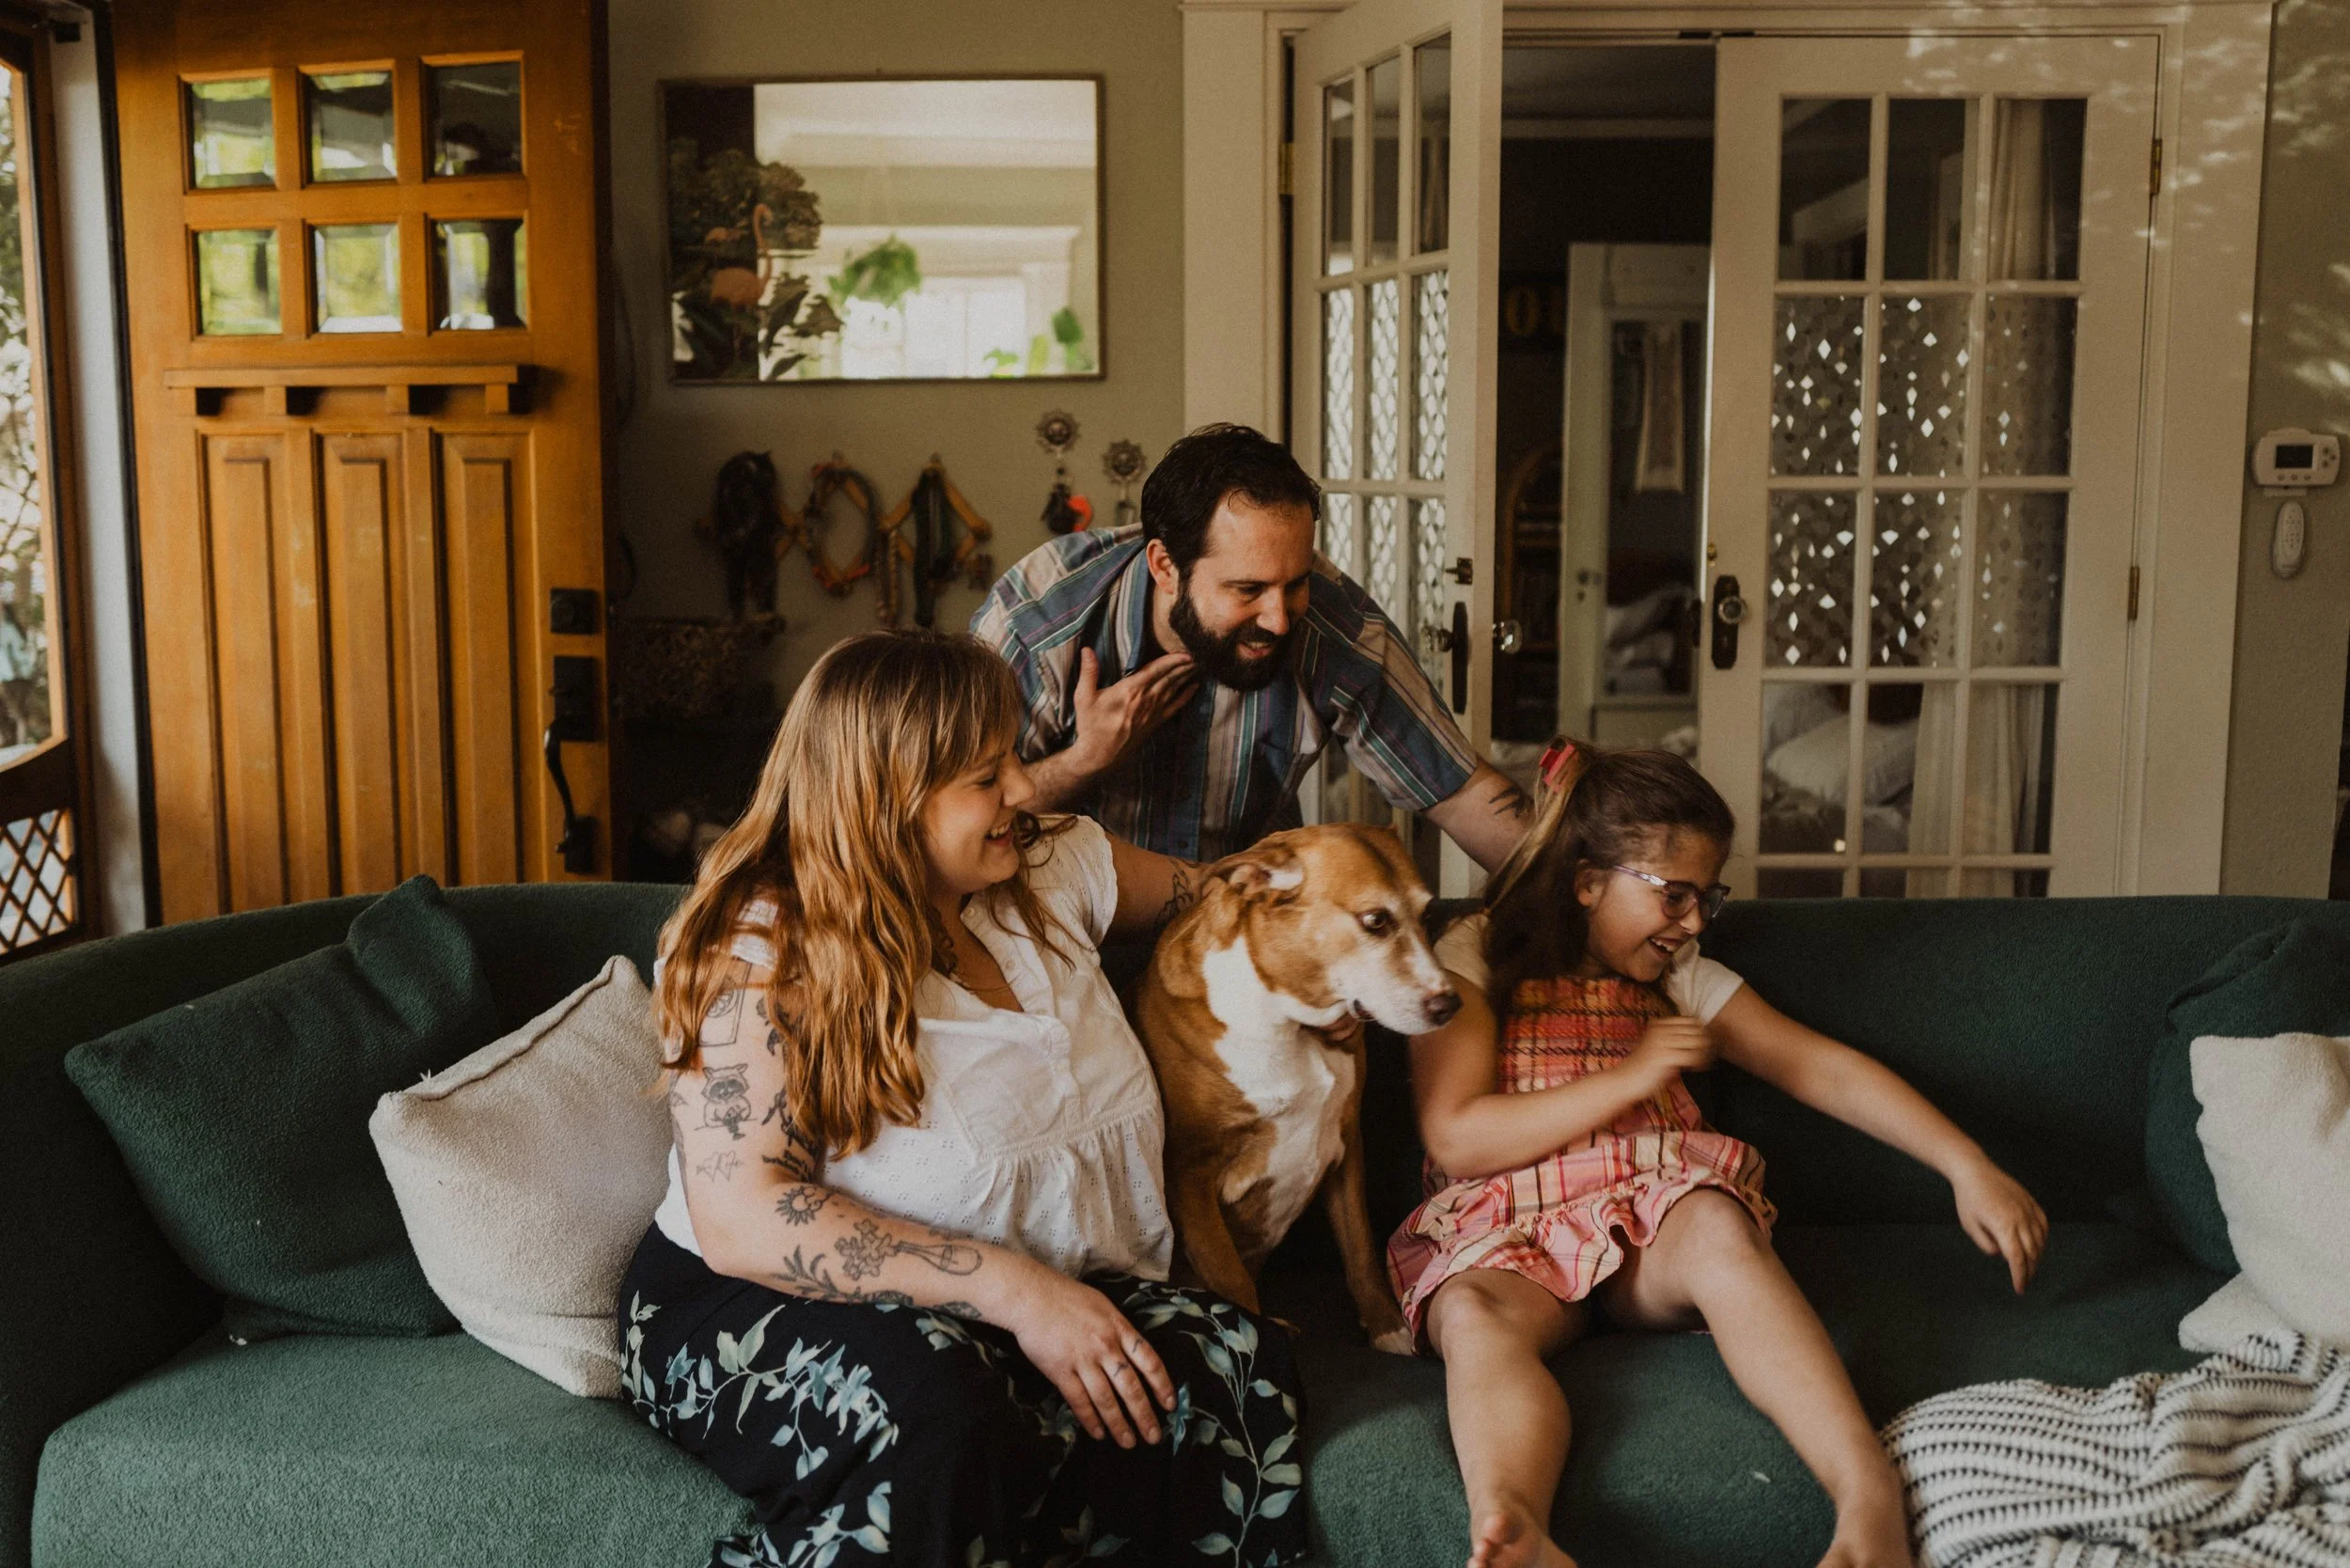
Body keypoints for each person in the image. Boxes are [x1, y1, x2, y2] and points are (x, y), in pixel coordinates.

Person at [621, 629, 1309, 1568]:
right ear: (887, 797)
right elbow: (745, 1216)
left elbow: (1220, 900)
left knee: (1220, 1368)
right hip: (747, 1296)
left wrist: (1318, 957)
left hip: (1021, 1299)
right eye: (987, 777)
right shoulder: (756, 945)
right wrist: (1017, 1293)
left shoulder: (1052, 865)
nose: (1026, 790)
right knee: (942, 1410)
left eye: (1013, 760)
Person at [1391, 741, 2048, 1568]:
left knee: (1715, 1224)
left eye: (1708, 897)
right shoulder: (1474, 954)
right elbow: (1457, 1135)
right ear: (1588, 879)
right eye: (1673, 895)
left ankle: (1867, 1492)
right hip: (1509, 1237)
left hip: (1647, 1226)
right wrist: (1634, 1075)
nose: (1694, 922)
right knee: (1470, 1317)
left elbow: (1817, 1065)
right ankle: (1516, 1523)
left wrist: (1965, 1163)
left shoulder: (1683, 977)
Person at [971, 422, 1532, 870]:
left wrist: (1587, 897)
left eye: (1295, 582)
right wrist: (1081, 763)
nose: (1280, 619)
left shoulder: (1332, 625)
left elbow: (1458, 793)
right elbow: (945, 821)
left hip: (1245, 915)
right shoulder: (1037, 625)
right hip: (1063, 918)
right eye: (1248, 589)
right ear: (1166, 567)